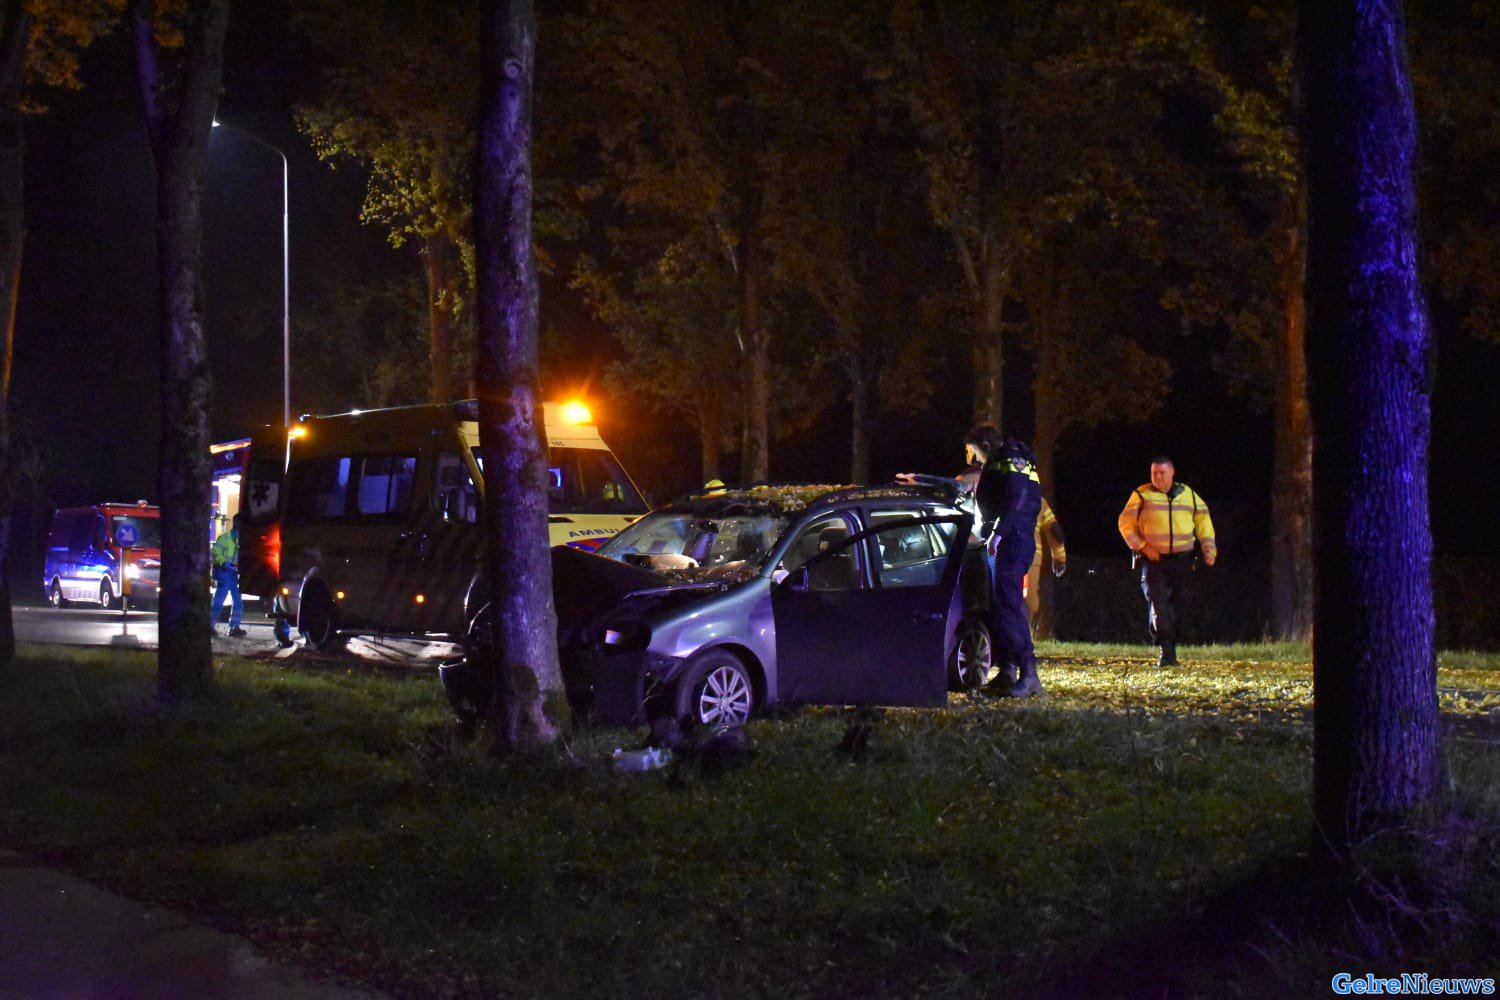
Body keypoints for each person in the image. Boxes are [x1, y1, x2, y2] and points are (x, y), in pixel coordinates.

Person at [1117, 457, 1217, 667]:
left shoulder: (1188, 495)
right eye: (1154, 473)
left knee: (1181, 604)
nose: (1158, 477)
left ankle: (1173, 643)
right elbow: (1125, 523)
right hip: (1154, 560)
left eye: (1162, 473)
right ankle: (1166, 651)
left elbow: (1203, 521)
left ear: (1172, 473)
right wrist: (1143, 546)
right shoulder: (1141, 495)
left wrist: (1209, 549)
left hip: (1183, 559)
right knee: (1158, 604)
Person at [967, 424, 1043, 697]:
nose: (976, 459)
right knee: (999, 606)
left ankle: (1029, 672)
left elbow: (1018, 499)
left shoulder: (1013, 460)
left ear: (985, 446)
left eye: (976, 452)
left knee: (1009, 606)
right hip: (1007, 539)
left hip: (1014, 541)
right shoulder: (1003, 460)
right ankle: (1008, 671)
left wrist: (998, 534)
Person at [1027, 496, 1067, 636]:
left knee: (1028, 601)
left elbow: (1054, 530)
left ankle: (1024, 636)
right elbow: (1054, 530)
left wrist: (1059, 558)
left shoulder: (1038, 500)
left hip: (1029, 560)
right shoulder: (1038, 500)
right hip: (1021, 558)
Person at [211, 513, 246, 638]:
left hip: (233, 573)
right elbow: (215, 553)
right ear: (237, 523)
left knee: (237, 601)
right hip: (224, 572)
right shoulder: (225, 538)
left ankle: (234, 627)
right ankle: (211, 626)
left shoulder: (240, 539)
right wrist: (225, 563)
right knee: (219, 600)